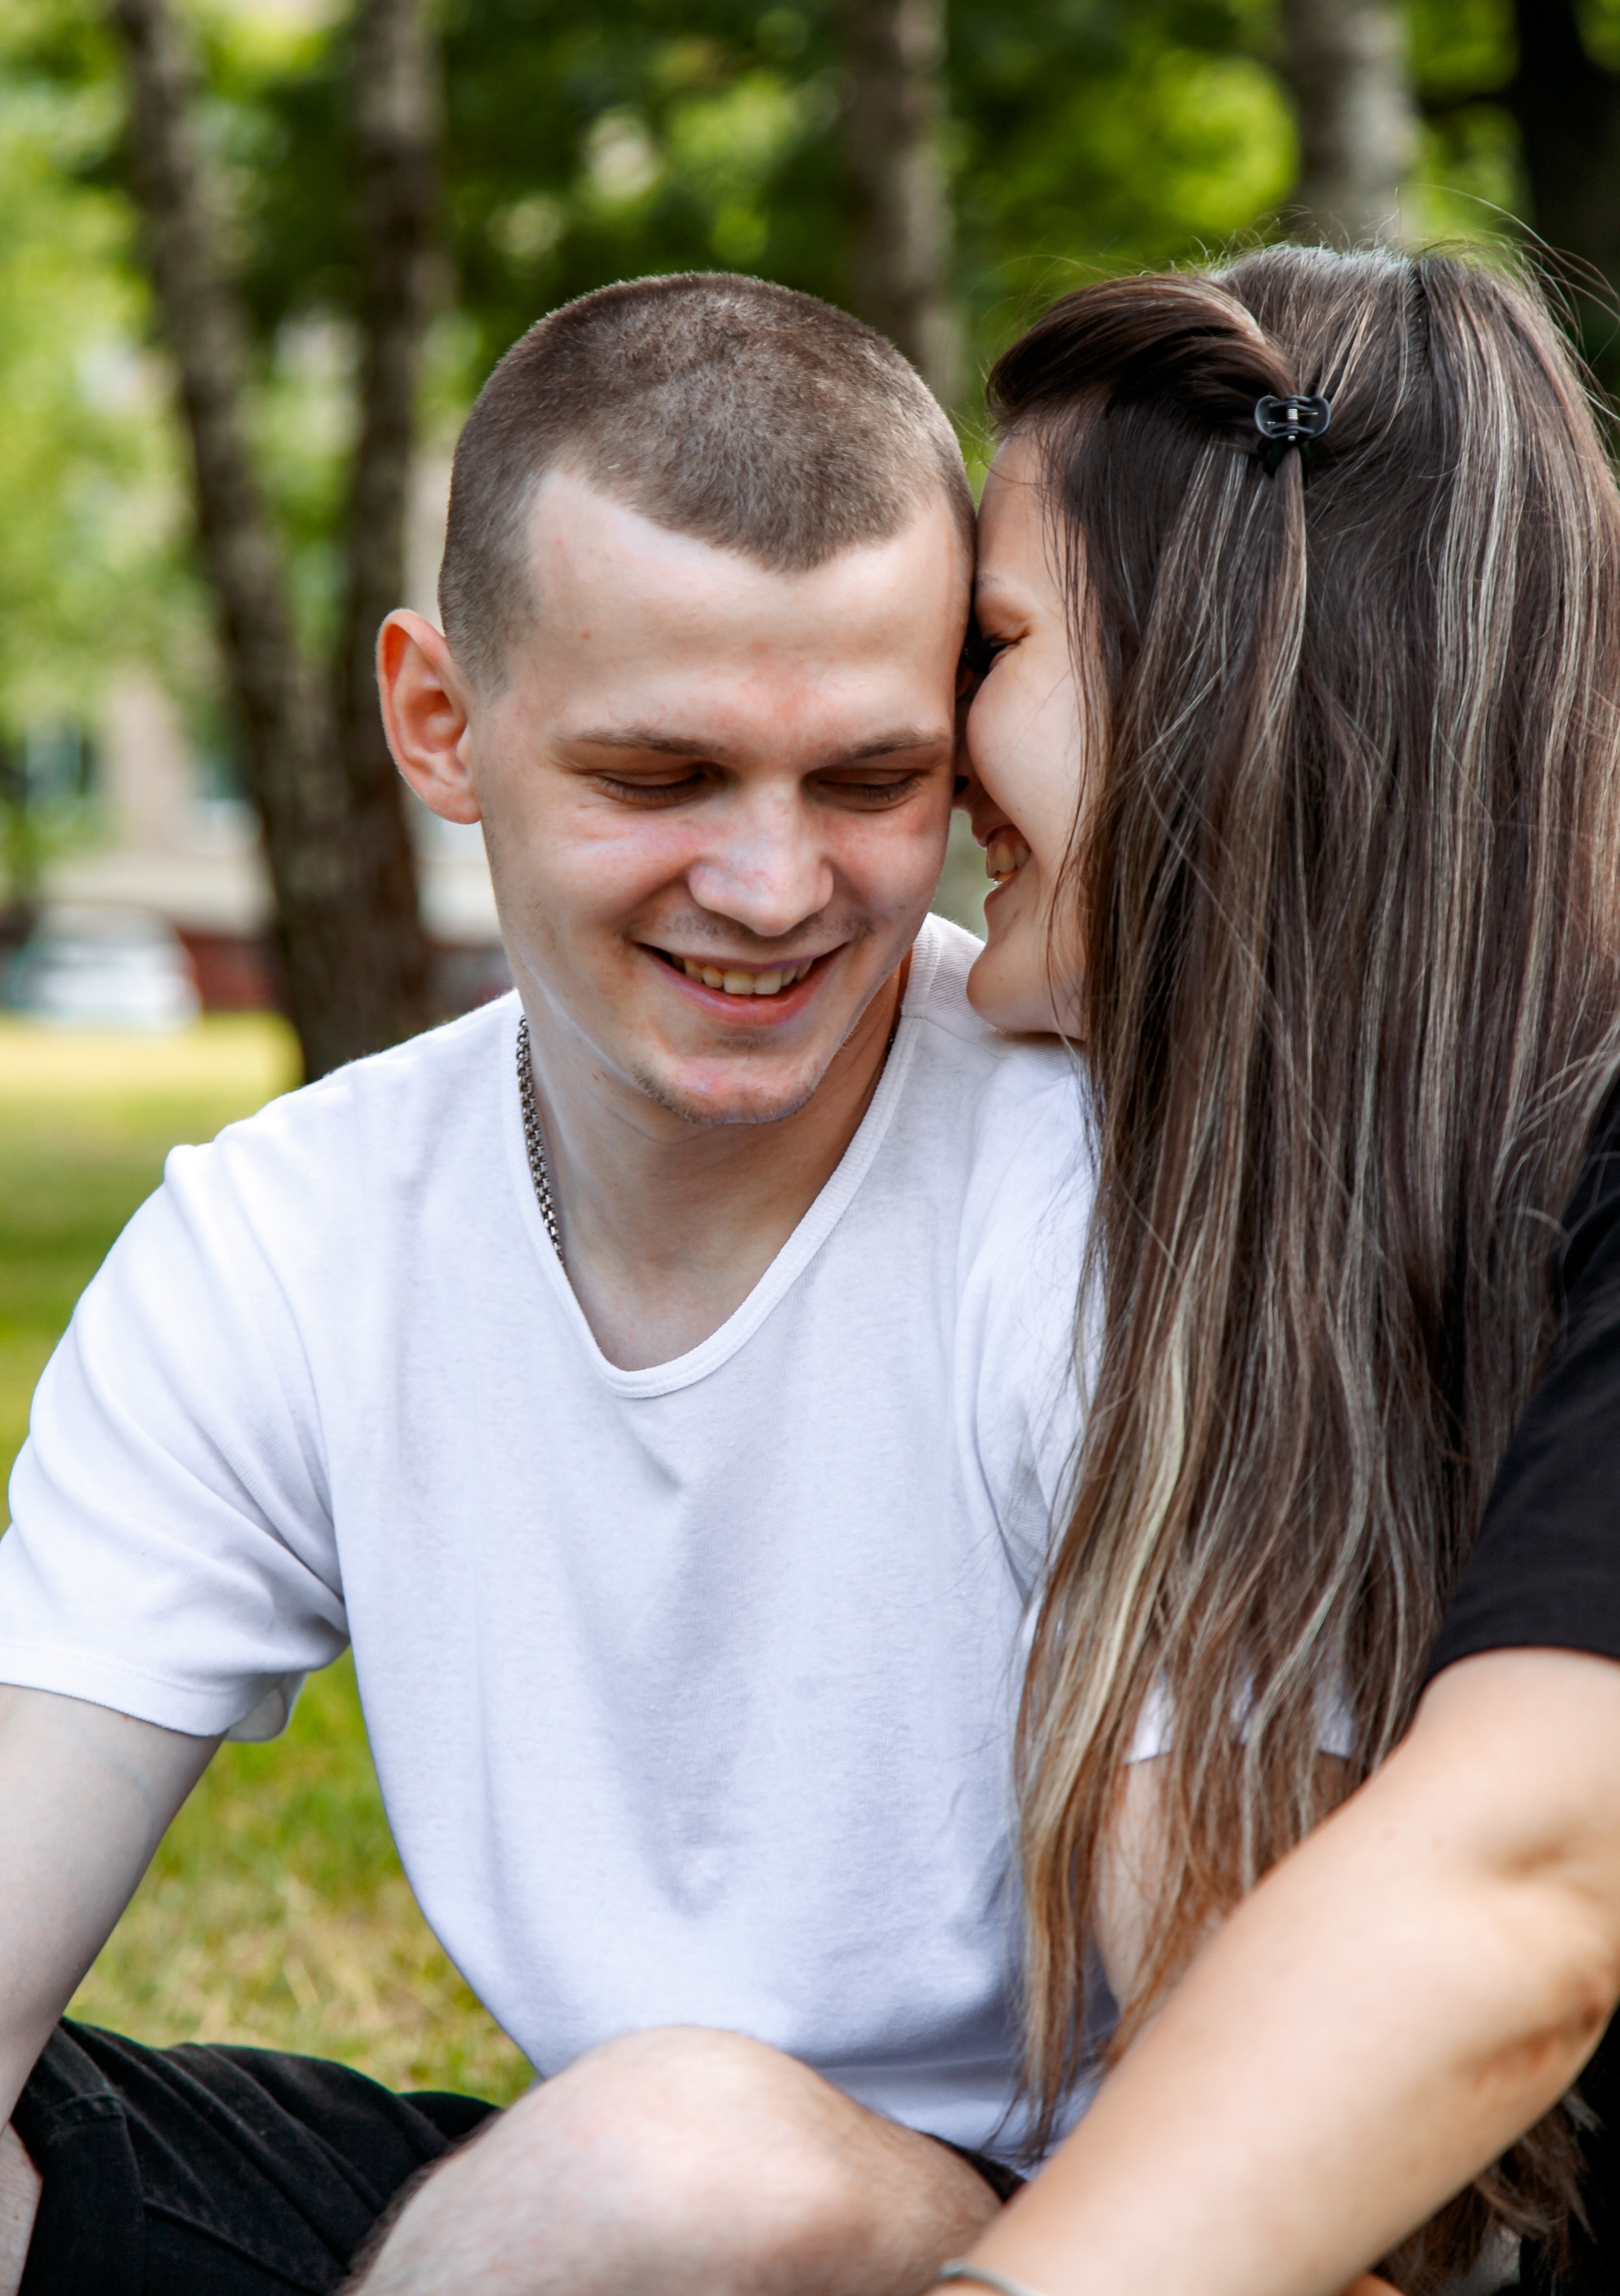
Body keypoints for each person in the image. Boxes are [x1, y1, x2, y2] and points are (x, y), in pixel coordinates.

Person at [0, 272, 1094, 2295]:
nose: (773, 890)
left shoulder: (1103, 1200)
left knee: (661, 2168)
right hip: (572, 2210)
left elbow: (1337, 2116)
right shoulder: (285, 1242)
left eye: (870, 783)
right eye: (659, 779)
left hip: (1099, 2228)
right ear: (440, 721)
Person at [928, 245, 1620, 2296]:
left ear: (1223, 670)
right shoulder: (1259, 1233)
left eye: (989, 648)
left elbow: (1523, 1889)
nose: (930, 745)